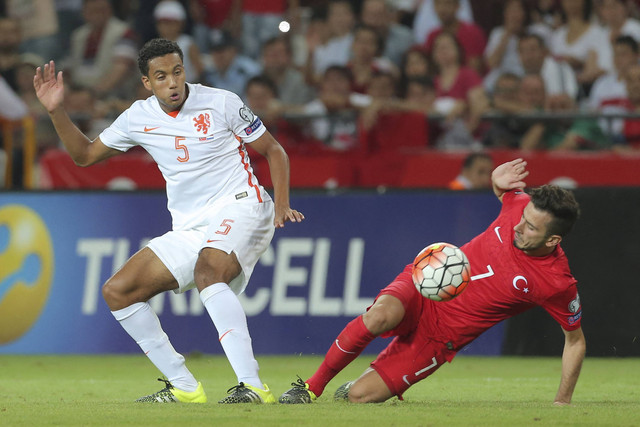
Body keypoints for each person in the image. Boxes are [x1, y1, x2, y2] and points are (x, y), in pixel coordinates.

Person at [33, 38, 304, 403]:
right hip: (190, 227)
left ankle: (252, 385)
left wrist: (281, 204)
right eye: (161, 77)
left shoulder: (221, 101)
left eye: (177, 72)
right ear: (147, 82)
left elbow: (274, 149)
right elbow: (83, 156)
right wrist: (55, 111)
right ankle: (185, 387)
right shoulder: (138, 117)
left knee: (210, 271)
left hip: (241, 204)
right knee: (119, 291)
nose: (172, 82)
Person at [279, 158, 585, 405]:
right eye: (523, 217)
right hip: (426, 282)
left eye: (531, 228)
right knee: (380, 316)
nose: (519, 226)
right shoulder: (520, 206)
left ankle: (362, 384)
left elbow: (575, 341)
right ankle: (311, 387)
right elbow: (504, 193)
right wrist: (496, 180)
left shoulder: (555, 282)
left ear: (553, 239)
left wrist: (562, 401)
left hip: (442, 335)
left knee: (359, 397)